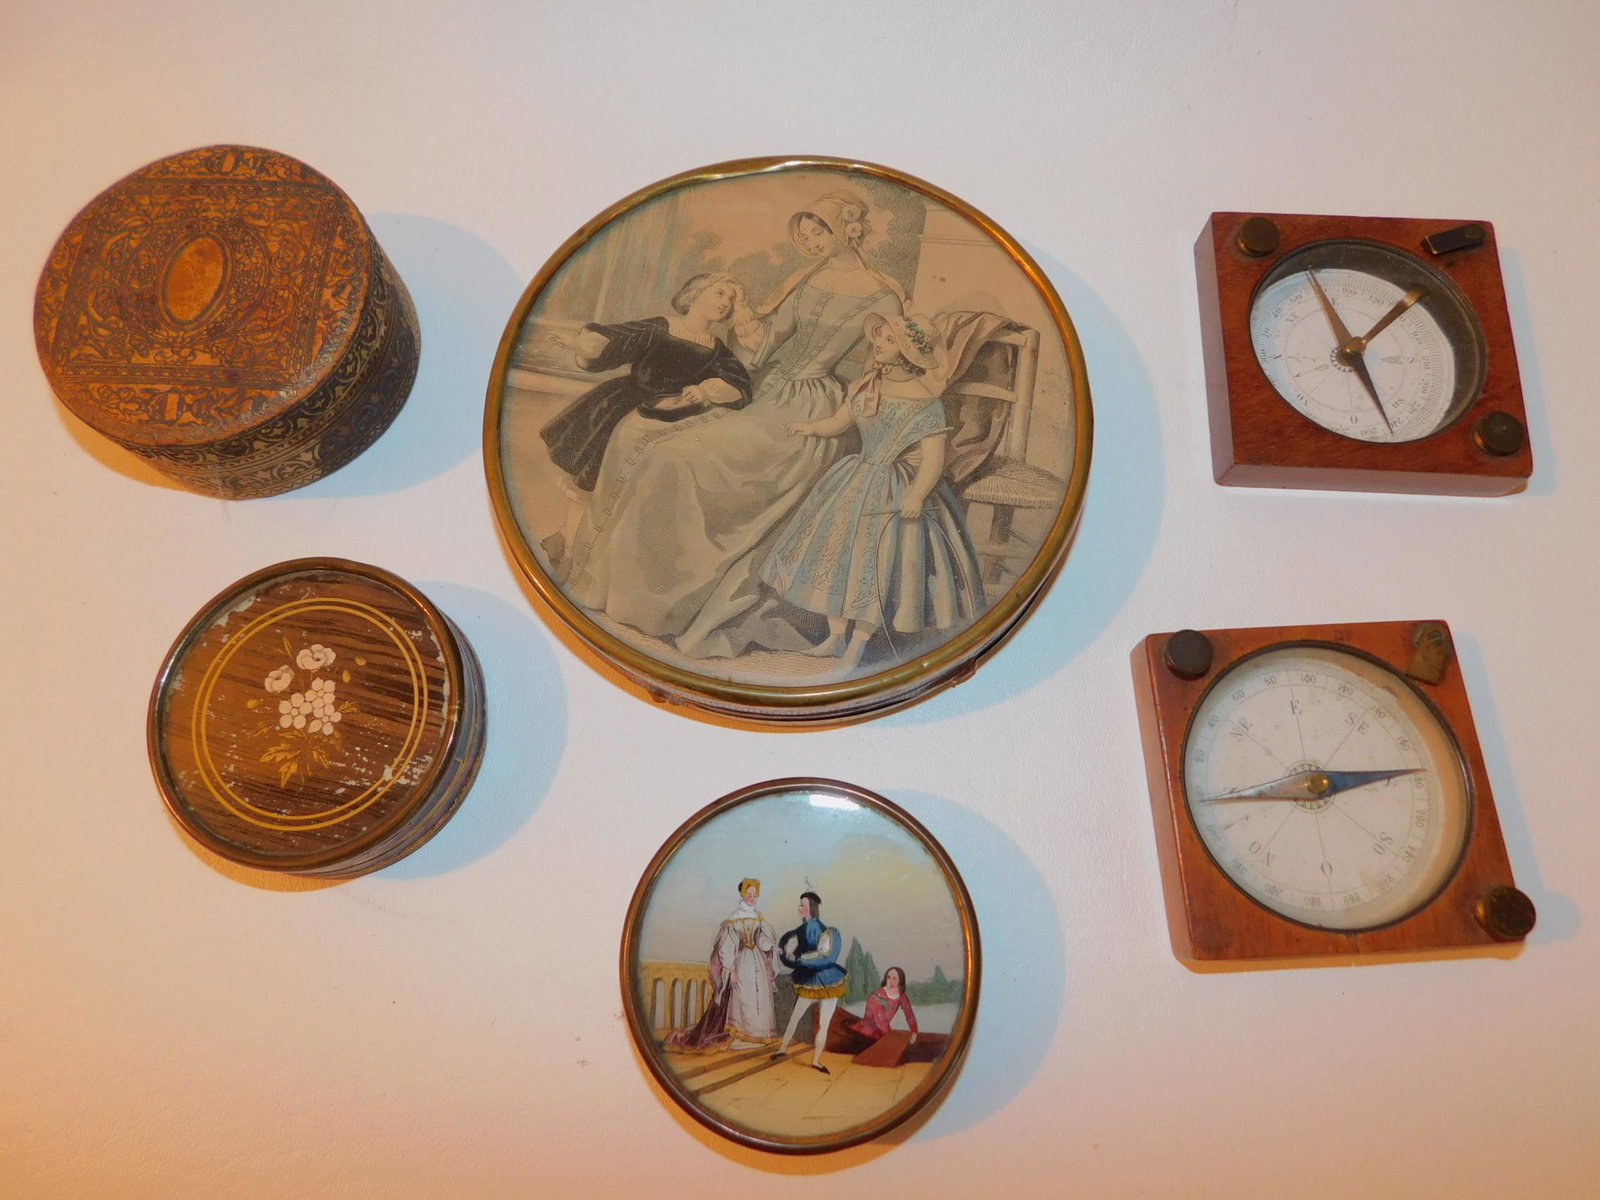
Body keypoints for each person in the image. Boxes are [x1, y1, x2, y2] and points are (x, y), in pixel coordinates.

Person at [562, 191, 905, 656]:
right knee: (663, 449)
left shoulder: (885, 296)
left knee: (680, 458)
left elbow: (880, 368)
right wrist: (746, 324)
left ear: (846, 228)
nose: (811, 242)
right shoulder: (807, 279)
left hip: (813, 408)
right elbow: (764, 349)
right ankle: (631, 595)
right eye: (804, 235)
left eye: (817, 231)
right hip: (768, 390)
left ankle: (673, 605)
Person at [759, 312, 984, 671]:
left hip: (895, 490)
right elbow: (839, 422)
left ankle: (858, 644)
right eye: (879, 337)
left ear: (908, 353)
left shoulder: (926, 403)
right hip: (854, 479)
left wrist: (915, 495)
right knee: (838, 559)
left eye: (888, 340)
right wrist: (811, 427)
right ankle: (835, 639)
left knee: (874, 567)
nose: (877, 343)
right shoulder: (868, 384)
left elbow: (932, 461)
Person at [538, 272, 752, 566]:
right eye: (719, 293)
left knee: (635, 486)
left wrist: (704, 390)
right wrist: (583, 343)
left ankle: (569, 541)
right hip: (622, 406)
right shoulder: (662, 327)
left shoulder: (716, 349)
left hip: (670, 413)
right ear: (694, 294)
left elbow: (737, 382)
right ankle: (571, 552)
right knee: (593, 480)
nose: (725, 303)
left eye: (730, 299)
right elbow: (621, 339)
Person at [664, 878, 779, 1053]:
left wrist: (769, 945)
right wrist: (730, 969)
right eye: (749, 895)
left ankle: (758, 1036)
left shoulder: (759, 917)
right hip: (741, 963)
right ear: (742, 894)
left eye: (755, 895)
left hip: (758, 963)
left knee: (759, 998)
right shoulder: (733, 919)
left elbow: (761, 940)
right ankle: (740, 1036)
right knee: (743, 999)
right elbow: (727, 946)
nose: (752, 898)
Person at [772, 891, 848, 1074]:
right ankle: (783, 1049)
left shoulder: (824, 930)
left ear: (811, 908)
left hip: (827, 978)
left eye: (802, 905)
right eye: (799, 905)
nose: (799, 908)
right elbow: (791, 948)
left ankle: (815, 1060)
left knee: (823, 1022)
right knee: (797, 1016)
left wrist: (797, 959)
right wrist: (784, 953)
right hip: (809, 978)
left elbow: (822, 956)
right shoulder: (800, 930)